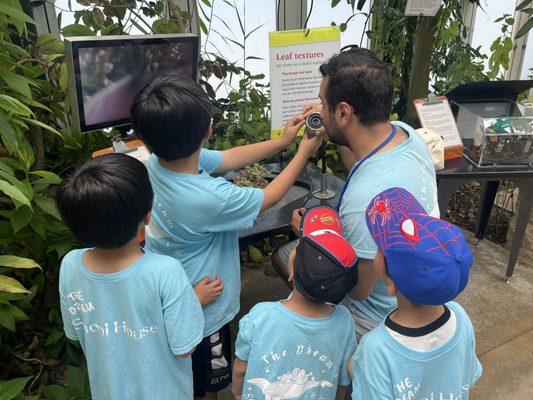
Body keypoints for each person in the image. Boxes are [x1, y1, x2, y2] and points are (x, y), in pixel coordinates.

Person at [130, 75, 323, 400]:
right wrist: (304, 151)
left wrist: (282, 142)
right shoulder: (208, 196)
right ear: (207, 130)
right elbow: (269, 197)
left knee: (183, 371)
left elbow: (227, 158)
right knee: (209, 382)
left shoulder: (159, 162)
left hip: (171, 291)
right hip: (205, 310)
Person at [274, 47, 439, 339]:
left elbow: (359, 291)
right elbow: (361, 164)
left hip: (376, 317)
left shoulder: (365, 201)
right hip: (419, 290)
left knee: (286, 258)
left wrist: (311, 237)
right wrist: (336, 130)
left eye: (325, 105)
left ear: (344, 112)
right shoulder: (405, 134)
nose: (321, 111)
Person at [56, 153, 204, 399]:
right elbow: (184, 347)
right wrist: (194, 300)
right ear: (147, 215)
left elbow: (75, 332)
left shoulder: (70, 265)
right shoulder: (165, 271)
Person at [350, 187, 481, 399]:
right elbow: (466, 378)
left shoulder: (376, 349)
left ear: (389, 280)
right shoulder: (460, 318)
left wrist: (358, 369)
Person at [232, 206, 358, 400]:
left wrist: (237, 394)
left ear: (291, 272)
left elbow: (241, 369)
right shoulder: (344, 322)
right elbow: (342, 381)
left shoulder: (261, 316)